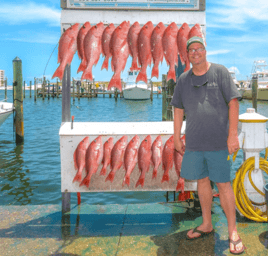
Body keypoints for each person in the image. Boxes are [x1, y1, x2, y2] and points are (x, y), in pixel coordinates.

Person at [171, 36, 245, 255]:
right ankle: (206, 223)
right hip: (194, 142)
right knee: (202, 182)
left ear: (205, 51)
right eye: (191, 50)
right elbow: (177, 109)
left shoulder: (220, 72)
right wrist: (176, 137)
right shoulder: (183, 79)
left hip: (218, 142)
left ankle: (232, 231)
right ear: (187, 55)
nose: (195, 52)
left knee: (223, 185)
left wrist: (233, 135)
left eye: (199, 49)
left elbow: (233, 102)